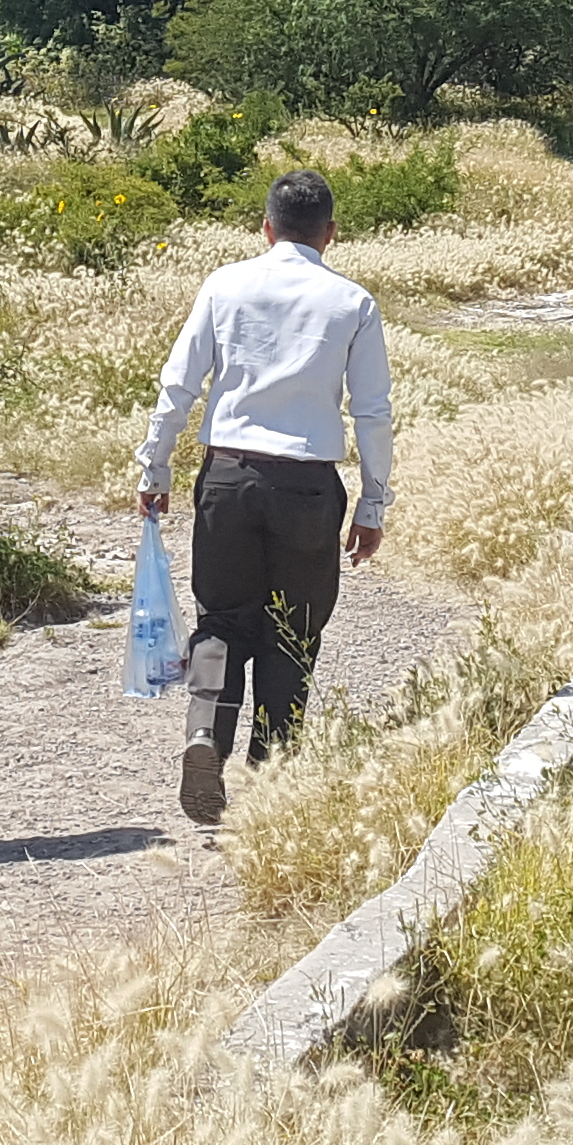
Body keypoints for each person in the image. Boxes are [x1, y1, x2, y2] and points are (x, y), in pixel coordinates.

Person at [135, 166, 393, 826]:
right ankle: (271, 771)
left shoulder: (224, 285)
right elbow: (372, 411)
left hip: (228, 474)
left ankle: (205, 734)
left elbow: (180, 383)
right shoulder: (353, 303)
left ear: (266, 228)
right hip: (307, 485)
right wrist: (373, 503)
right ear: (330, 233)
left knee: (222, 620)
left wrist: (154, 467)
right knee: (294, 629)